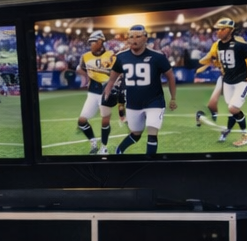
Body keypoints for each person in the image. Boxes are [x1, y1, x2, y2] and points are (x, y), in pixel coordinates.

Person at [106, 23, 177, 155]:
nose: (134, 39)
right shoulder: (121, 57)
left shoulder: (158, 57)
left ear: (145, 38)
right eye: (131, 36)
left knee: (152, 132)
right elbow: (112, 78)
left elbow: (171, 77)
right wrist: (107, 91)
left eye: (138, 36)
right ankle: (119, 151)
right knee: (136, 133)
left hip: (154, 101)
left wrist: (173, 98)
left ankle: (148, 164)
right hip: (133, 103)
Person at [196, 18, 247, 148]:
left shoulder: (240, 44)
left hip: (243, 80)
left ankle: (246, 137)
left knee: (233, 108)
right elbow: (216, 59)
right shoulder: (218, 45)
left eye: (222, 29)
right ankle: (227, 130)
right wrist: (212, 62)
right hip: (228, 81)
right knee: (232, 110)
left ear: (231, 30)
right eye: (218, 29)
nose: (218, 32)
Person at [74, 30, 118, 154]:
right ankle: (93, 141)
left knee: (105, 120)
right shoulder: (86, 56)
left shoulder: (111, 55)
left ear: (100, 42)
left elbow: (118, 71)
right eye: (90, 42)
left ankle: (104, 147)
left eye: (93, 42)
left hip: (106, 92)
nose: (91, 44)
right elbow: (79, 68)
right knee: (82, 121)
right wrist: (87, 77)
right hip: (93, 92)